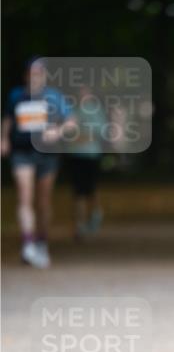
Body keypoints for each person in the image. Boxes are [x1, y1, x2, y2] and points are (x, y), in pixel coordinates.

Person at [1, 58, 76, 268]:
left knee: (43, 202)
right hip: (21, 152)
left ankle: (41, 242)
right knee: (24, 196)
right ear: (26, 75)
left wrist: (57, 131)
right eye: (32, 73)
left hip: (47, 154)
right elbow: (8, 118)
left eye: (39, 74)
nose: (35, 77)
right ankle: (28, 244)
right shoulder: (16, 95)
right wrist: (4, 139)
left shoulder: (54, 97)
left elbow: (71, 122)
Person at [67, 85, 108, 238]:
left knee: (91, 188)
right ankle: (80, 225)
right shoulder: (72, 110)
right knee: (78, 191)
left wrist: (85, 136)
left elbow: (101, 131)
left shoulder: (95, 110)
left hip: (91, 155)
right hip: (75, 155)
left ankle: (96, 213)